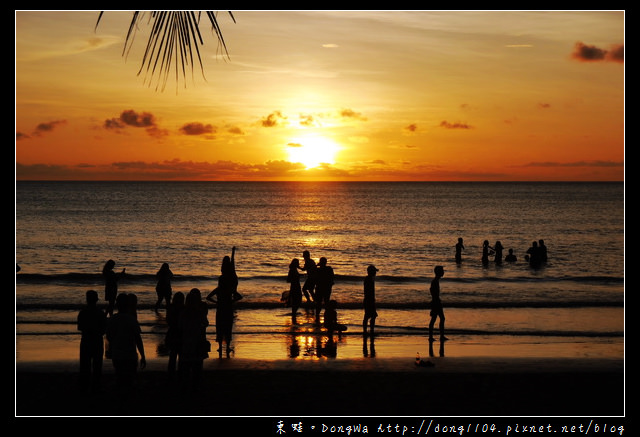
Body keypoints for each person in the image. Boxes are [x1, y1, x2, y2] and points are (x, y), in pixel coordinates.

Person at [207, 247, 243, 356]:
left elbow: (208, 297)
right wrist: (232, 301)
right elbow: (239, 297)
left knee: (220, 327)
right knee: (228, 326)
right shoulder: (230, 283)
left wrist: (216, 302)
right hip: (228, 307)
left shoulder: (220, 285)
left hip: (220, 308)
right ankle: (227, 348)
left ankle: (219, 348)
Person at [105, 293, 146, 389]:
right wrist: (143, 355)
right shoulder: (132, 319)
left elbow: (109, 336)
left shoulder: (112, 319)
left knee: (119, 377)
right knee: (130, 379)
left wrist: (111, 349)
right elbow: (138, 339)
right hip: (130, 354)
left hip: (117, 354)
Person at [178, 288, 209, 391]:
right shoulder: (199, 312)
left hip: (186, 341)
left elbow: (180, 327)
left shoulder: (183, 313)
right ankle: (196, 386)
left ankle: (186, 386)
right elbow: (206, 323)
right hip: (197, 340)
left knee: (185, 366)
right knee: (197, 366)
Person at [77, 289, 107, 393]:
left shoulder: (83, 312)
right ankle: (96, 386)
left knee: (85, 365)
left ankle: (85, 387)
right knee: (97, 365)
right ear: (96, 300)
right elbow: (104, 329)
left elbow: (80, 327)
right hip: (97, 340)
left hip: (86, 340)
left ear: (87, 299)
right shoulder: (100, 312)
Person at [165, 291, 185, 379]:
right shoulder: (184, 309)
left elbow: (168, 321)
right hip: (181, 334)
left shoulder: (170, 308)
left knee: (172, 355)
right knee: (181, 355)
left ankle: (171, 374)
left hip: (172, 333)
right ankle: (180, 374)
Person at [428, 265, 447, 343]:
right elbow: (432, 291)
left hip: (436, 302)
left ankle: (438, 336)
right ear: (439, 272)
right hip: (436, 302)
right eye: (442, 271)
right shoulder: (435, 281)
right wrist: (435, 301)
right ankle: (434, 336)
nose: (443, 272)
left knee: (438, 318)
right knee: (438, 319)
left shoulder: (436, 281)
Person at [314, 257, 335, 325]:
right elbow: (332, 278)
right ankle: (326, 318)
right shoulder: (329, 269)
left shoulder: (318, 270)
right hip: (326, 288)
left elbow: (313, 274)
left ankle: (317, 317)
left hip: (320, 288)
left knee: (319, 303)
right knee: (326, 302)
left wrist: (317, 265)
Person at [362, 264, 378, 337]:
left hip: (369, 299)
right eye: (374, 271)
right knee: (371, 315)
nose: (375, 273)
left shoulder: (369, 279)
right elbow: (368, 291)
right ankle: (369, 330)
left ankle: (368, 330)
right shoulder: (369, 279)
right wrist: (371, 299)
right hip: (369, 300)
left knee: (369, 315)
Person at [287, 258, 303, 324]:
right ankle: (294, 314)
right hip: (294, 286)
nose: (298, 264)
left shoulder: (294, 269)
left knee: (296, 300)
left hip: (296, 286)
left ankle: (294, 314)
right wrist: (295, 278)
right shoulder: (292, 270)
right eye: (297, 263)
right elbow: (288, 279)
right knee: (297, 300)